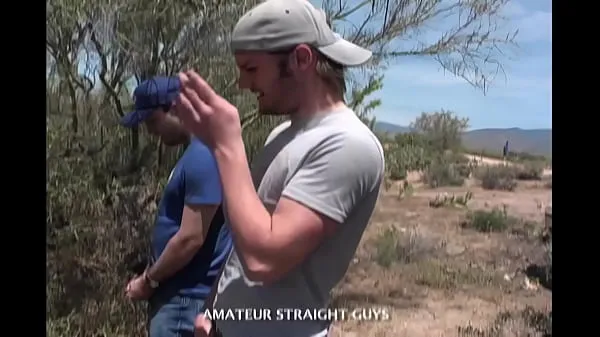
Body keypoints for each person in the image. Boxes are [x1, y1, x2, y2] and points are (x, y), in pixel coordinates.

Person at [171, 1, 385, 336]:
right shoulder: (283, 134)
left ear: (301, 59)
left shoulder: (349, 144)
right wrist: (214, 310)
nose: (242, 83)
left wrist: (226, 146)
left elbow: (263, 261)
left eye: (252, 69)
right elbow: (242, 245)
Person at [121, 76, 233, 337]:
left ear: (174, 108)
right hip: (181, 298)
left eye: (152, 121)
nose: (151, 131)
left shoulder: (203, 156)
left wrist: (148, 281)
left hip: (187, 301)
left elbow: (190, 238)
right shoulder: (194, 154)